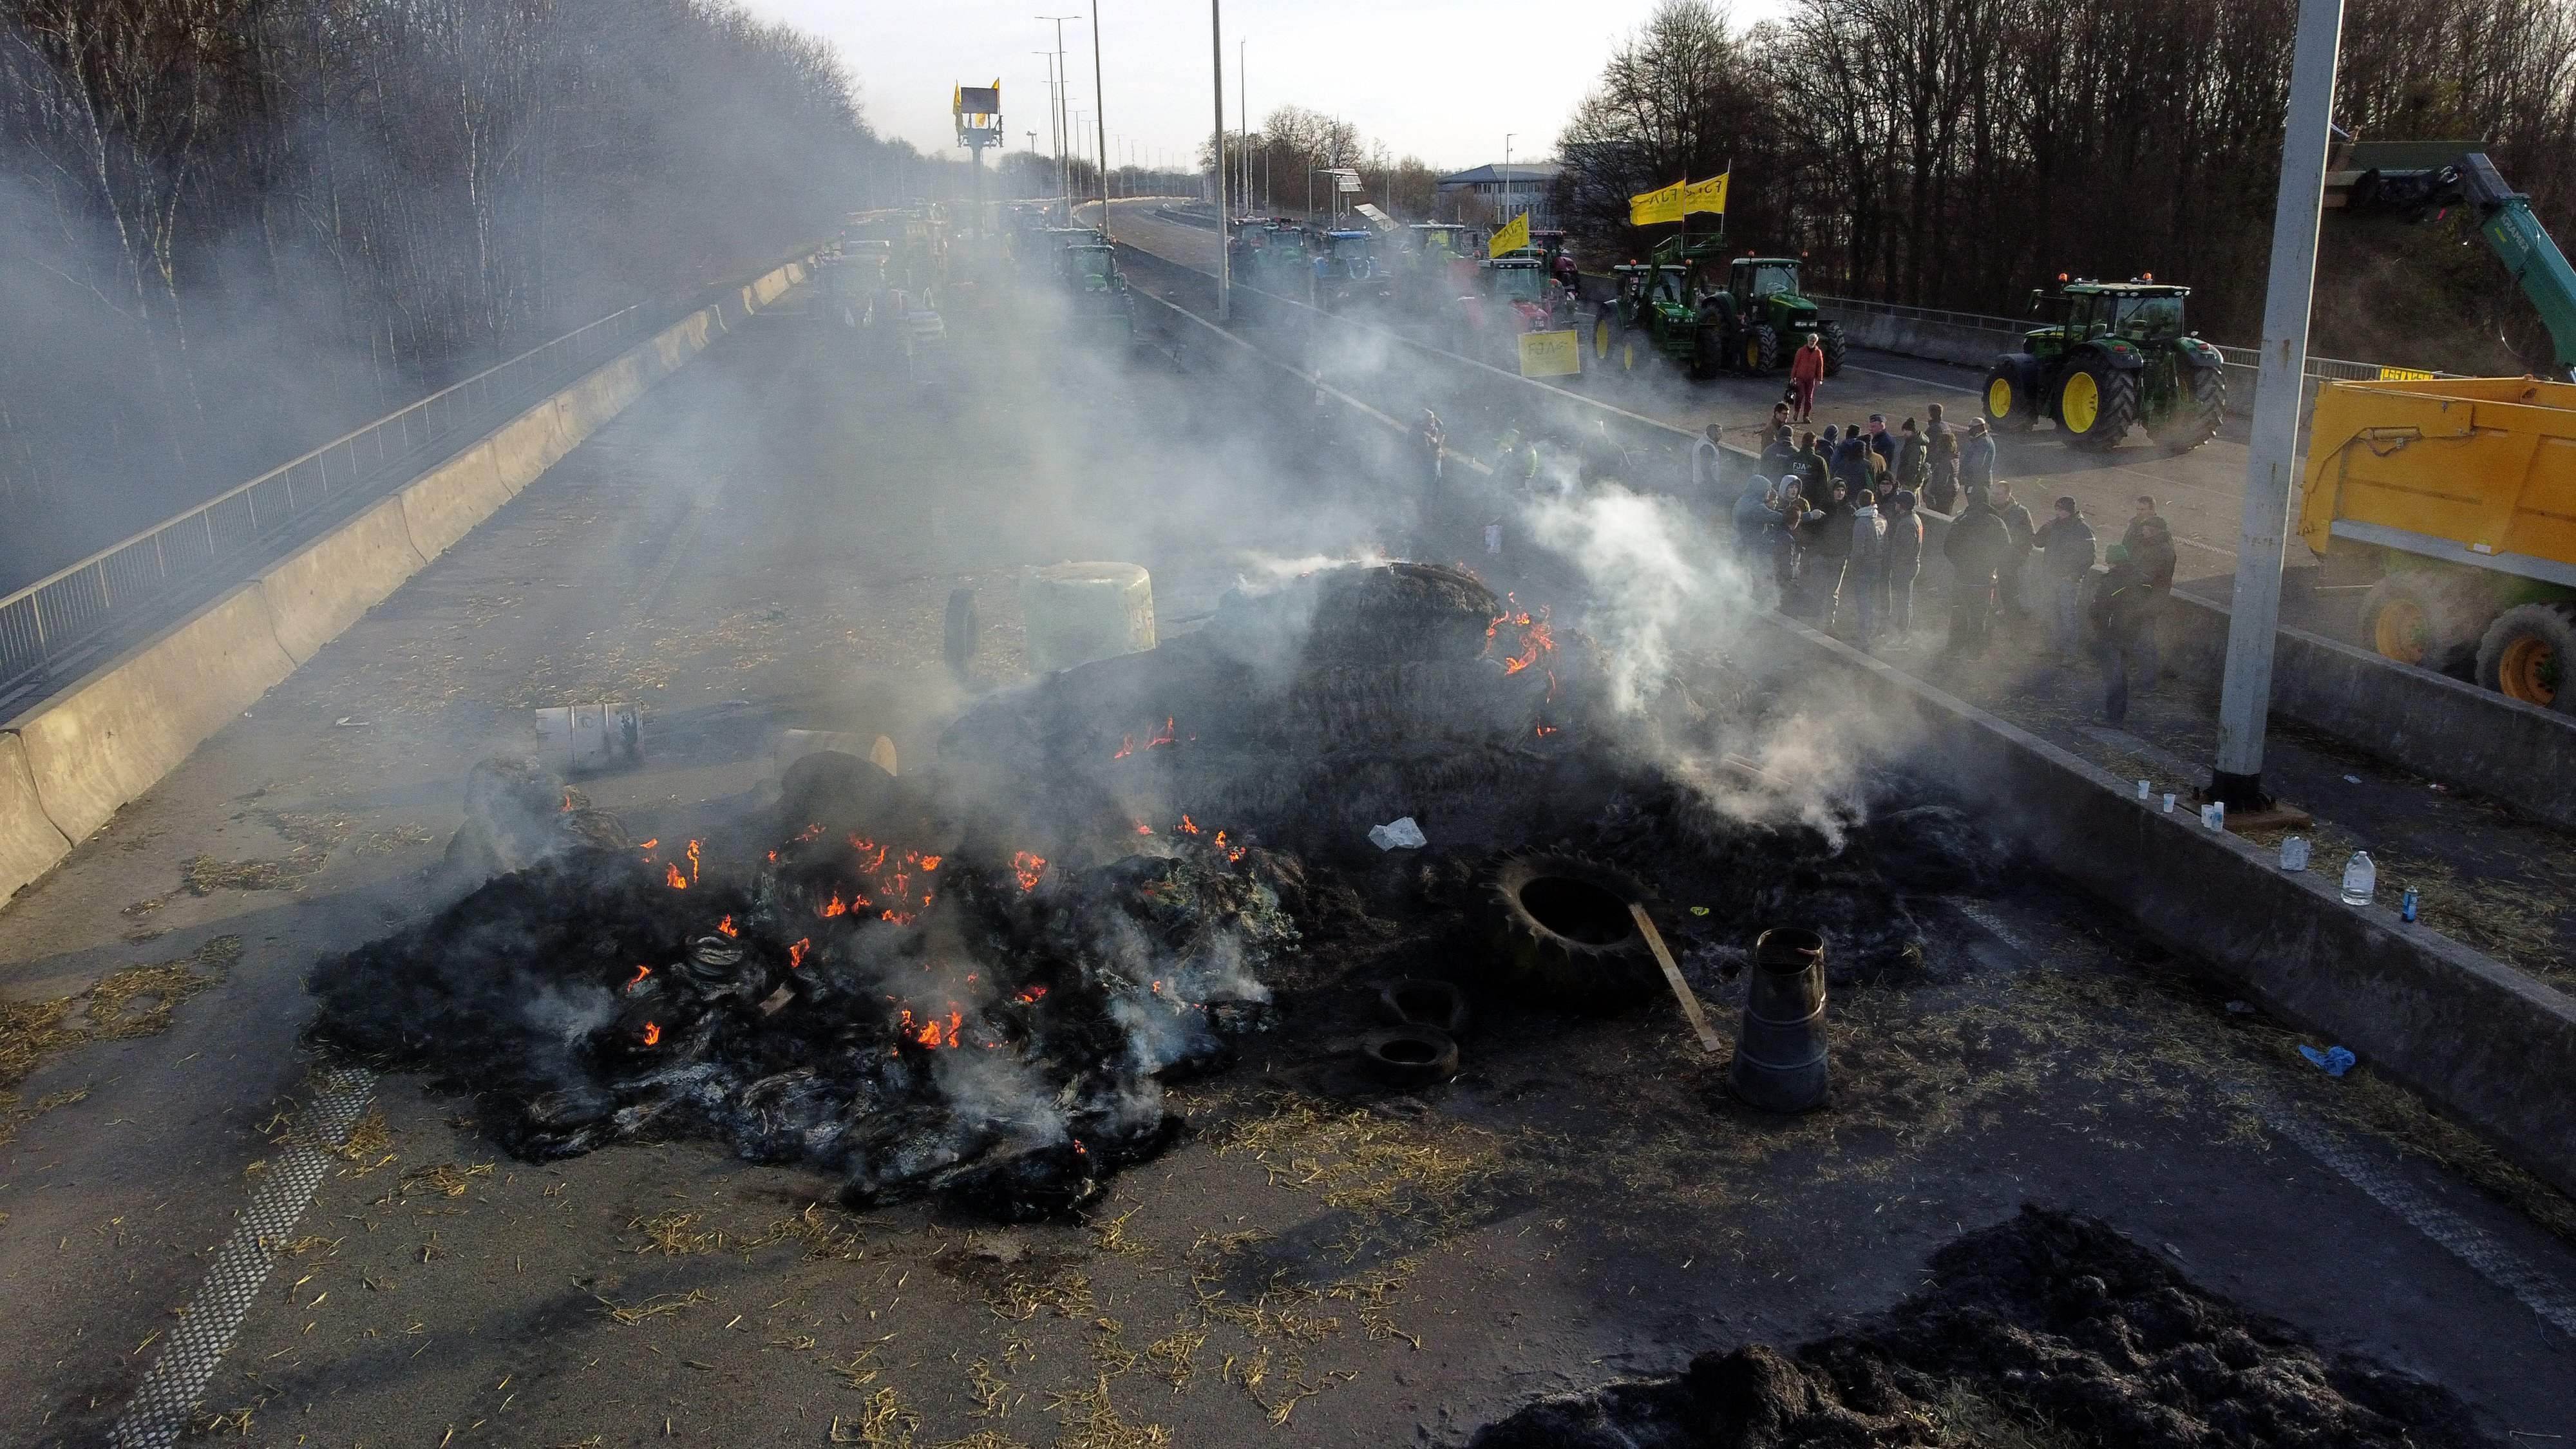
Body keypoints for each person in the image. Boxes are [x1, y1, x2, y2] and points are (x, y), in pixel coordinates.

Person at [2091, 542, 2157, 724]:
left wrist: (2099, 629)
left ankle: (2113, 718)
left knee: (2113, 677)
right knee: (2123, 674)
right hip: (2132, 633)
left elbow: (2096, 610)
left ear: (2111, 561)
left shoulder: (2110, 581)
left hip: (2111, 634)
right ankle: (2118, 714)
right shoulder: (2144, 580)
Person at [1944, 491, 2009, 657]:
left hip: (1962, 577)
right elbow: (2005, 548)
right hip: (1984, 579)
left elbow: (1948, 547)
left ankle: (1954, 649)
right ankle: (1974, 652)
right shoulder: (1997, 522)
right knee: (1979, 616)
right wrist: (1990, 566)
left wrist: (1960, 565)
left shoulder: (1961, 520)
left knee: (1959, 612)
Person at [2032, 495, 2098, 661]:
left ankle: (2071, 654)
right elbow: (2038, 543)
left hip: (2068, 581)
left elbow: (2090, 557)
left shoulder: (2082, 529)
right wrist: (2045, 529)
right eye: (2057, 509)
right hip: (2051, 576)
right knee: (2052, 613)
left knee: (2068, 616)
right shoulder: (2053, 525)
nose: (2058, 512)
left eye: (2062, 509)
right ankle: (2054, 648)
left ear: (2070, 511)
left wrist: (2075, 575)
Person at [1803, 480, 1853, 626]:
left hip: (1839, 557)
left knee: (1833, 593)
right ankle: (1815, 619)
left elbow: (1851, 535)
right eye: (1837, 490)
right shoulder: (1822, 507)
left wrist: (1847, 553)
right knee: (1817, 589)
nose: (1840, 493)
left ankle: (1828, 624)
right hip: (1821, 555)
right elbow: (1813, 531)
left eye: (1843, 490)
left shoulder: (1849, 510)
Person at [1849, 486, 1889, 649]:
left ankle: (1863, 635)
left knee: (1863, 602)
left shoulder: (1861, 522)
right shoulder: (1881, 519)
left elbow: (1858, 549)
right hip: (1878, 565)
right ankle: (1871, 632)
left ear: (1859, 502)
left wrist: (1852, 565)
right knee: (1872, 600)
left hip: (1864, 566)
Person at [1884, 489, 1924, 643]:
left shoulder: (1906, 524)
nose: (1895, 505)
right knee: (1906, 600)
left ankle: (1901, 635)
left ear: (1903, 506)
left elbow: (1904, 549)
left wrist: (1895, 564)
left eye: (1898, 502)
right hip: (1911, 565)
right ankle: (1903, 632)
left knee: (1902, 601)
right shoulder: (1915, 519)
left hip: (1904, 567)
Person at [1992, 480, 2035, 619]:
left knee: (2021, 586)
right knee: (2002, 586)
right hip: (1998, 556)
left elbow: (2030, 536)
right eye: (1994, 493)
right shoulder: (1991, 510)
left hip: (2016, 557)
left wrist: (2020, 554)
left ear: (2008, 495)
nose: (1995, 497)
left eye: (1998, 494)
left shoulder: (2021, 512)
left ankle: (2023, 614)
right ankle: (2005, 610)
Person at [1790, 334, 1826, 423]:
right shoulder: (1801, 351)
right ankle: (1796, 412)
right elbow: (1796, 364)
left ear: (1816, 342)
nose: (1812, 343)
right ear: (1808, 341)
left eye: (1813, 341)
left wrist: (1820, 379)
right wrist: (1792, 377)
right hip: (1800, 377)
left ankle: (1806, 416)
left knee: (1809, 398)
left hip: (1811, 378)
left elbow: (1820, 366)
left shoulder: (1818, 353)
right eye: (1810, 341)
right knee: (1800, 395)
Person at [1925, 430, 1961, 514]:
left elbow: (1942, 480)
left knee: (1940, 513)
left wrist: (1932, 492)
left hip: (1945, 492)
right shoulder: (1954, 457)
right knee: (1947, 511)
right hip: (1953, 489)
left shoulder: (1946, 461)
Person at [1961, 418, 1996, 502]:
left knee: (1978, 507)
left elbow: (1977, 464)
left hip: (1979, 483)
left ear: (1978, 428)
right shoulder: (1981, 440)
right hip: (1976, 481)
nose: (1969, 430)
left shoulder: (1983, 442)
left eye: (1971, 428)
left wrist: (1964, 474)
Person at [1691, 423, 1727, 504]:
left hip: (1702, 483)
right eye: (1719, 434)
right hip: (1704, 484)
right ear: (1712, 434)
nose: (1721, 436)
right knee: (1706, 507)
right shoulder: (1706, 447)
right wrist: (1712, 485)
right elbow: (1705, 468)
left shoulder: (1704, 441)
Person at [1895, 417, 1927, 495]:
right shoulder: (1916, 443)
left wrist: (1906, 481)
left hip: (1910, 481)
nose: (1904, 434)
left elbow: (1913, 465)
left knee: (1908, 500)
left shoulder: (1914, 446)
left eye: (1906, 431)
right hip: (1914, 480)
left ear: (1911, 431)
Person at [1866, 413, 1898, 477]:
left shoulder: (1887, 441)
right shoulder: (1876, 438)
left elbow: (1885, 462)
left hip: (1881, 474)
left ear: (1882, 426)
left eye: (1873, 427)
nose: (1870, 429)